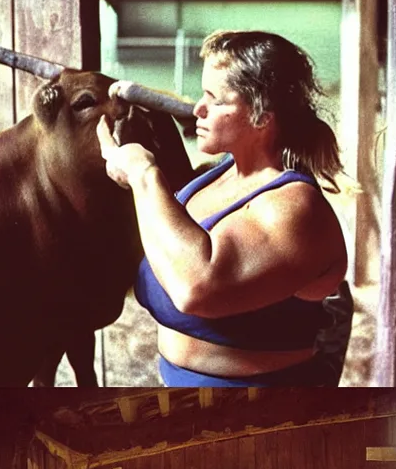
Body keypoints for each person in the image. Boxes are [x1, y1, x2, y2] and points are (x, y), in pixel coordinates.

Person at [99, 29, 352, 386]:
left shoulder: (294, 207)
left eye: (214, 99)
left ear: (262, 117)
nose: (197, 109)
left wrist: (144, 173)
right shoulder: (211, 178)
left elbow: (194, 289)